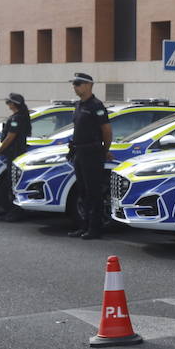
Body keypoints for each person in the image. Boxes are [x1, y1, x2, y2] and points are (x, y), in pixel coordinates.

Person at [67, 72, 113, 240]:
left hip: (92, 153)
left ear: (88, 85)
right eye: (74, 83)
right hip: (79, 152)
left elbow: (107, 131)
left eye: (78, 83)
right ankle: (84, 226)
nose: (74, 86)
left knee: (94, 192)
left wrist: (105, 149)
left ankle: (95, 228)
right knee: (83, 191)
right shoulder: (79, 105)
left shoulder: (96, 106)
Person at [0, 93, 33, 221]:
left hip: (14, 153)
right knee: (13, 183)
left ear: (14, 104)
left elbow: (11, 136)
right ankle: (13, 212)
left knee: (13, 184)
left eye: (8, 102)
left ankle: (15, 213)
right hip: (15, 153)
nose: (7, 105)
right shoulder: (20, 116)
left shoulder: (17, 118)